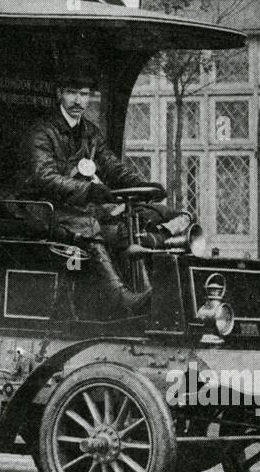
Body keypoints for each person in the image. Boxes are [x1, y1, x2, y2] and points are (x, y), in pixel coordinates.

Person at [19, 60, 165, 315]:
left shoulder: (90, 132)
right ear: (59, 94)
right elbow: (45, 177)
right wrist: (89, 191)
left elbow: (112, 167)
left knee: (123, 229)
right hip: (40, 209)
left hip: (75, 210)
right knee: (90, 225)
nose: (78, 101)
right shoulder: (42, 132)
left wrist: (141, 185)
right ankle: (122, 298)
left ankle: (140, 297)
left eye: (84, 94)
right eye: (72, 93)